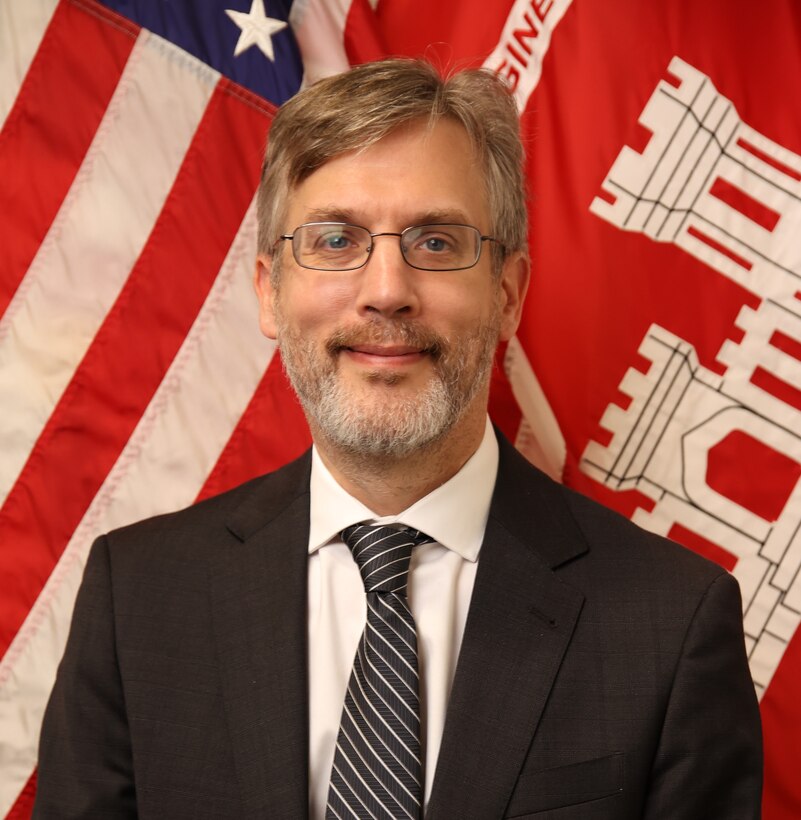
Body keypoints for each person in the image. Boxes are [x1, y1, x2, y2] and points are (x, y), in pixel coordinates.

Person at [34, 58, 762, 819]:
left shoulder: (670, 624)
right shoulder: (139, 599)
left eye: (438, 243)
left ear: (506, 295)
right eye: (335, 240)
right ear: (268, 293)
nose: (385, 290)